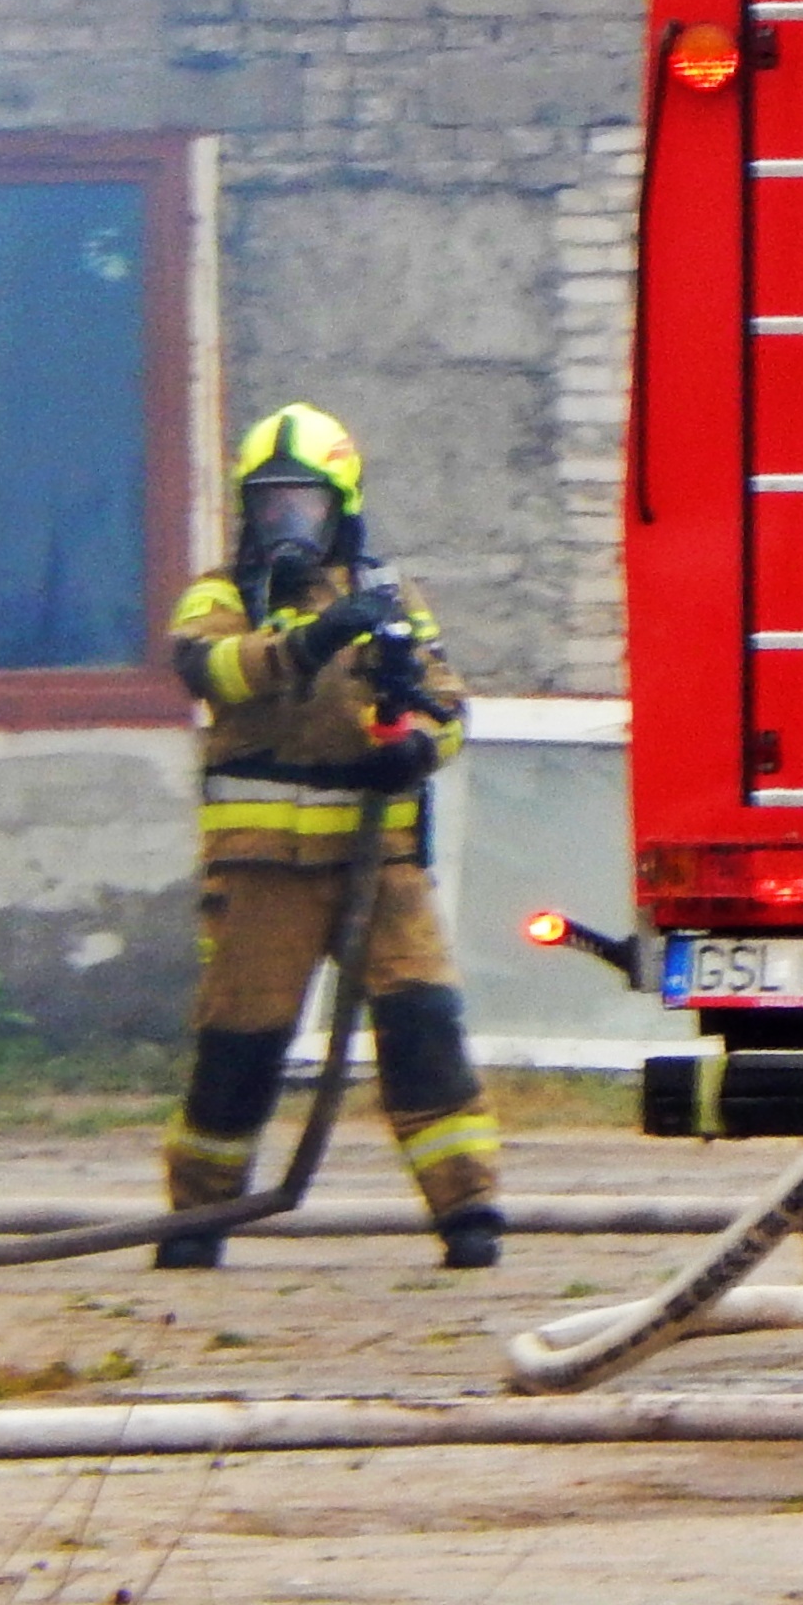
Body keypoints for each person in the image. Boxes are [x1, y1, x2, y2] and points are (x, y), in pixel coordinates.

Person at [161, 404, 503, 1269]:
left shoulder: (390, 600)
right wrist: (310, 639)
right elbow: (214, 670)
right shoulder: (222, 594)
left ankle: (468, 1211)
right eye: (270, 505)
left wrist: (420, 745)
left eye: (302, 505)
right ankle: (197, 1219)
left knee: (425, 1026)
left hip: (379, 865)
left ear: (339, 505)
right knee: (241, 1043)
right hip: (262, 874)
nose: (285, 522)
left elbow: (448, 706)